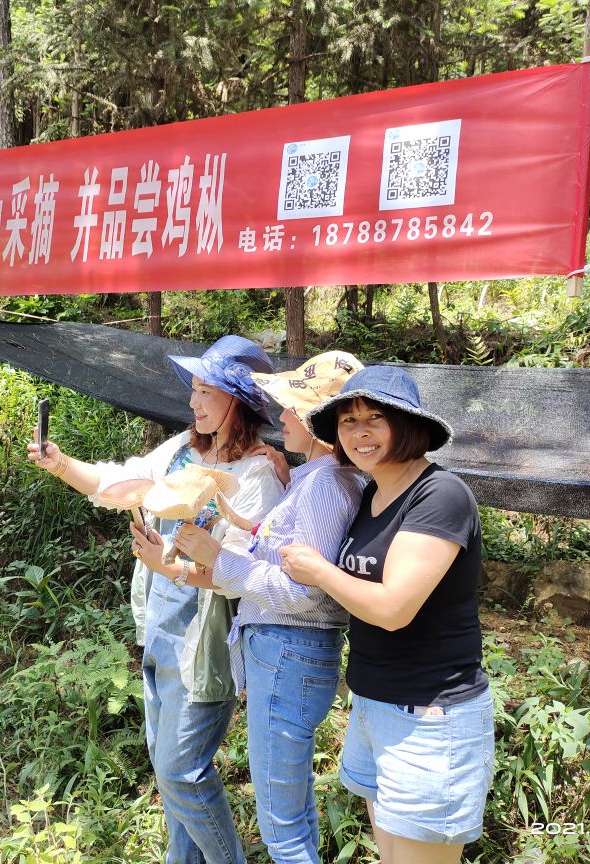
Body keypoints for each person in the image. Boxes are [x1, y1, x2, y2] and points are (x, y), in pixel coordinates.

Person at [27, 334, 285, 864]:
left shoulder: (259, 473)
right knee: (167, 773)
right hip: (161, 631)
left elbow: (243, 570)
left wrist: (170, 566)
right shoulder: (182, 451)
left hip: (207, 642)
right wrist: (61, 463)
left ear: (237, 401)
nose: (194, 402)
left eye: (206, 391)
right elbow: (121, 481)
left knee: (181, 772)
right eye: (194, 389)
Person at [279, 365, 495, 864]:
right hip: (374, 705)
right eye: (348, 421)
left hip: (429, 714)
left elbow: (394, 609)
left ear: (408, 425)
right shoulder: (371, 494)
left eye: (375, 418)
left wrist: (318, 571)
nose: (360, 432)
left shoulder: (439, 495)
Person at [163, 351, 368, 864]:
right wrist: (252, 522)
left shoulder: (328, 484)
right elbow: (292, 554)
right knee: (292, 817)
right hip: (283, 654)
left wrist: (218, 558)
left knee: (283, 832)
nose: (280, 416)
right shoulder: (314, 478)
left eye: (291, 408)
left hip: (289, 652)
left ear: (318, 420)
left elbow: (307, 592)